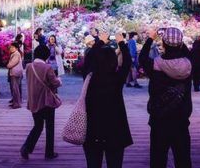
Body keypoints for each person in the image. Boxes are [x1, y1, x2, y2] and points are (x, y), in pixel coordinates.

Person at [139, 28, 193, 168]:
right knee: (183, 160)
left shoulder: (155, 65)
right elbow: (186, 51)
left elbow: (142, 57)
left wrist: (151, 38)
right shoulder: (188, 65)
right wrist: (178, 41)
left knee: (158, 160)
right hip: (181, 120)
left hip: (159, 120)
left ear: (163, 43)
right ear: (181, 44)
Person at [82, 32, 133, 168]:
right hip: (115, 130)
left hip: (93, 129)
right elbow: (128, 61)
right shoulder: (117, 79)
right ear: (113, 61)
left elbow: (88, 59)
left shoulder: (89, 78)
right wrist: (121, 42)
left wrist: (100, 42)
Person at [20, 45, 62, 160]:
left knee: (38, 126)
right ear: (46, 55)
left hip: (34, 100)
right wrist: (59, 80)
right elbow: (54, 83)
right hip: (47, 101)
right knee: (49, 127)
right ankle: (49, 153)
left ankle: (26, 147)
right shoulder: (47, 68)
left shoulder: (29, 67)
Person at [7, 42, 23, 109]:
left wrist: (8, 65)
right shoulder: (14, 53)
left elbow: (12, 64)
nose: (11, 48)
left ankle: (17, 104)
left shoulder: (16, 54)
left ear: (16, 48)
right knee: (14, 88)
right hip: (15, 72)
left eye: (12, 47)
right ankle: (15, 102)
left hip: (15, 73)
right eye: (10, 47)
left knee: (15, 88)